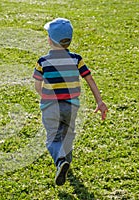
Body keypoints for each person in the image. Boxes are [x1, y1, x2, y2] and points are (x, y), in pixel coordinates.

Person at [33, 18, 108, 186]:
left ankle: (60, 162)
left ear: (50, 40)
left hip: (51, 107)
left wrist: (44, 95)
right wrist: (100, 101)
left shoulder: (43, 61)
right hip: (71, 106)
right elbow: (89, 79)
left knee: (53, 137)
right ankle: (67, 162)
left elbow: (38, 85)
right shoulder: (76, 59)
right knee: (68, 135)